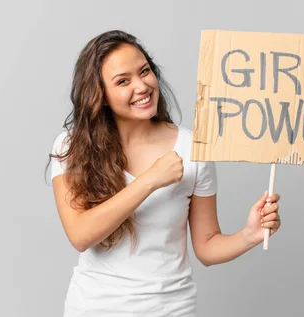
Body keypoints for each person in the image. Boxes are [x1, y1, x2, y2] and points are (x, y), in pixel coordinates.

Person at [46, 30, 281, 317]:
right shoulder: (71, 147)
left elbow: (207, 246)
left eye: (144, 71)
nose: (142, 86)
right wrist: (151, 180)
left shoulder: (192, 148)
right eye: (123, 81)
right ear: (101, 95)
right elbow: (81, 235)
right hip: (94, 308)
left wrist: (250, 235)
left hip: (171, 310)